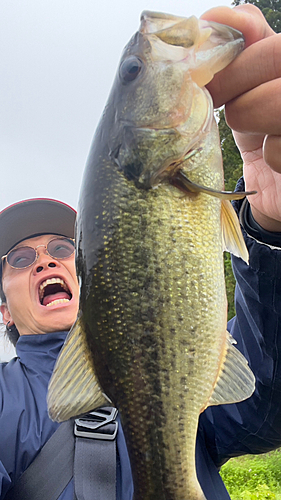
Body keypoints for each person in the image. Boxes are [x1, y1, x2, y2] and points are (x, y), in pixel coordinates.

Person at [1, 4, 281, 500]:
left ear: (91, 272)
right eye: (19, 259)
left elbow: (269, 401)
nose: (44, 260)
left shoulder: (192, 373)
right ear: (3, 306)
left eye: (62, 247)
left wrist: (272, 228)